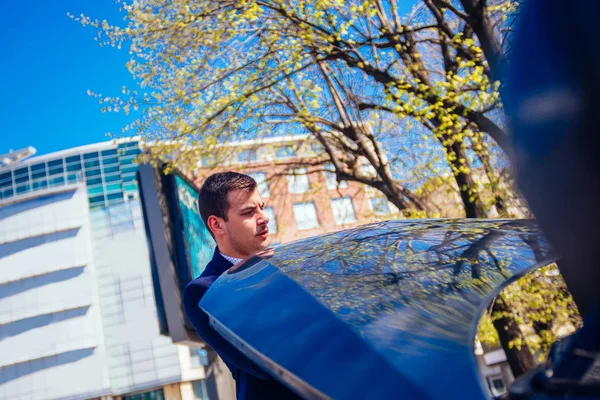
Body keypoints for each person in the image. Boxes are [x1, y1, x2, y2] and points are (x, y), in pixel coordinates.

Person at [183, 172, 302, 400]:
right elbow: (267, 360)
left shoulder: (289, 263)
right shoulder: (205, 290)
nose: (264, 218)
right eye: (249, 212)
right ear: (217, 224)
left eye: (261, 207)